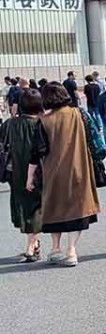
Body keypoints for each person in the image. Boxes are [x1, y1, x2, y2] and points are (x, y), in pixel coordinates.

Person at [37, 82, 100, 267]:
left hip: (53, 172)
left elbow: (38, 150)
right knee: (78, 209)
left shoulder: (44, 121)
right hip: (80, 167)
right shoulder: (80, 114)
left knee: (54, 209)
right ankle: (71, 250)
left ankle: (55, 248)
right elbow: (96, 141)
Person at [2, 87, 47, 261]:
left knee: (24, 206)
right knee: (36, 206)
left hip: (15, 171)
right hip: (39, 170)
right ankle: (33, 246)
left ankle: (32, 244)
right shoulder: (42, 123)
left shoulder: (10, 124)